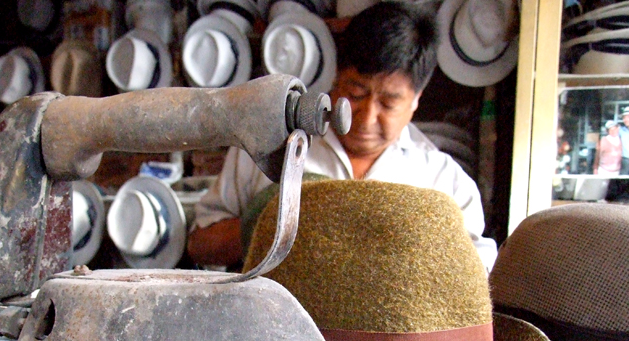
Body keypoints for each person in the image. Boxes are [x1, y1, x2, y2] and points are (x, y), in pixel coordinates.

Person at [187, 1, 498, 271]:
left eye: (389, 103)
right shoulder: (267, 148)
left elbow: (477, 274)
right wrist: (272, 225)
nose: (367, 117)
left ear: (416, 99)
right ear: (336, 77)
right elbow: (201, 246)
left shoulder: (442, 181)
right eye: (356, 93)